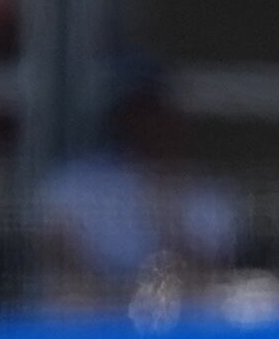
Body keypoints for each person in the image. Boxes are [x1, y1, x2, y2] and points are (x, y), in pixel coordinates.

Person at [33, 65, 244, 310]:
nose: (152, 125)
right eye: (141, 112)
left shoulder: (210, 195)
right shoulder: (73, 184)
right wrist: (122, 296)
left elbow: (210, 277)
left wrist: (167, 204)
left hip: (177, 324)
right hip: (91, 325)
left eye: (159, 113)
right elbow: (59, 262)